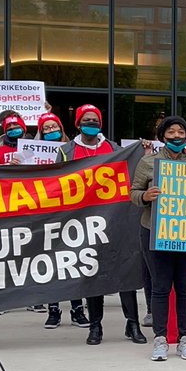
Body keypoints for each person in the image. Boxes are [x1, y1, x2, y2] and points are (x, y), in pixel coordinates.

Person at [56, 104, 146, 346]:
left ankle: (133, 324)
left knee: (125, 271)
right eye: (86, 119)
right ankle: (95, 326)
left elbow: (132, 173)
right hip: (84, 221)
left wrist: (142, 152)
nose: (91, 123)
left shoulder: (114, 149)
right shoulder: (66, 151)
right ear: (77, 123)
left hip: (115, 219)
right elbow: (55, 184)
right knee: (93, 273)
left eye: (95, 120)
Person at [131, 115, 186, 361]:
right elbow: (133, 193)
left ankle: (185, 339)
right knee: (160, 288)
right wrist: (145, 196)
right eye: (171, 132)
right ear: (162, 136)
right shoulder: (148, 162)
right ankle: (160, 339)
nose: (176, 136)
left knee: (185, 289)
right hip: (154, 232)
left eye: (181, 132)